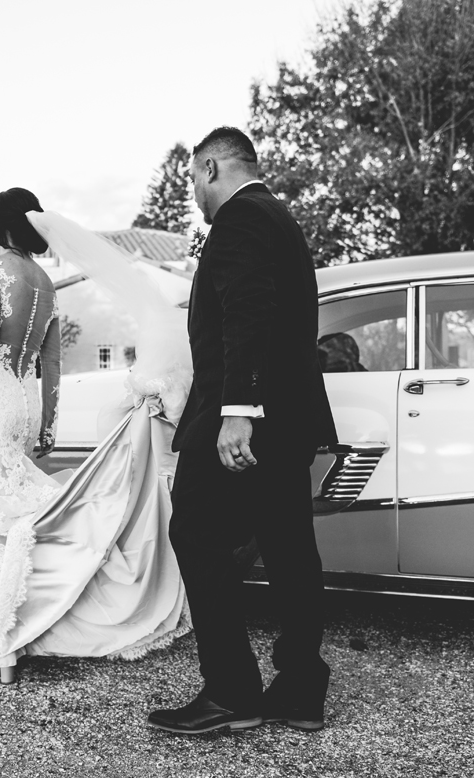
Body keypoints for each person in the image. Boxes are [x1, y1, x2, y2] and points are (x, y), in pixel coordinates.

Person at [0, 188, 190, 684]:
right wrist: (47, 422)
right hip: (24, 401)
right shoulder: (46, 281)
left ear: (1, 229)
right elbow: (51, 361)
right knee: (13, 511)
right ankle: (17, 632)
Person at [147, 127, 337, 734]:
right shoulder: (279, 218)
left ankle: (231, 692)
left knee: (195, 534)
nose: (195, 198)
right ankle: (301, 687)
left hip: (249, 420)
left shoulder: (240, 219)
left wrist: (238, 411)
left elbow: (247, 311)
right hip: (290, 418)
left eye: (193, 183)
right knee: (288, 548)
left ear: (209, 167)